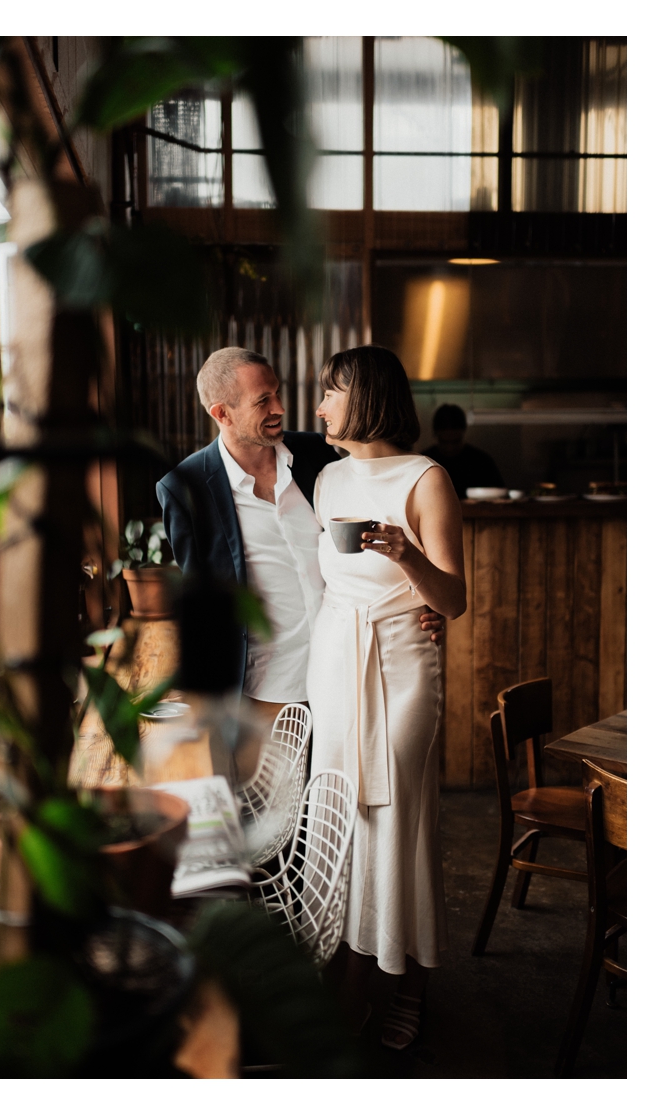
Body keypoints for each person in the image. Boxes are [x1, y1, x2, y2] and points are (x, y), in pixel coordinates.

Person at [154, 348, 443, 756]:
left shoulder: (319, 455)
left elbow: (370, 550)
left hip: (348, 673)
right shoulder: (185, 489)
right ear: (222, 413)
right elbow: (202, 605)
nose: (280, 408)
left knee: (344, 810)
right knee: (280, 816)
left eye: (277, 393)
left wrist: (420, 607)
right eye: (263, 401)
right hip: (266, 691)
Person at [307, 345, 467, 1050]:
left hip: (401, 664)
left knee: (401, 817)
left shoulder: (428, 479)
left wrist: (408, 556)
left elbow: (454, 599)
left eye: (330, 391)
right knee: (340, 816)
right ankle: (346, 972)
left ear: (365, 396)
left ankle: (410, 980)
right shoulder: (327, 479)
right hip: (335, 660)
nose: (319, 405)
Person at [422, 403, 503, 498]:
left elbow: (501, 495)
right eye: (444, 442)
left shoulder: (481, 462)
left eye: (455, 442)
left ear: (464, 433)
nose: (450, 448)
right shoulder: (425, 463)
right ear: (435, 435)